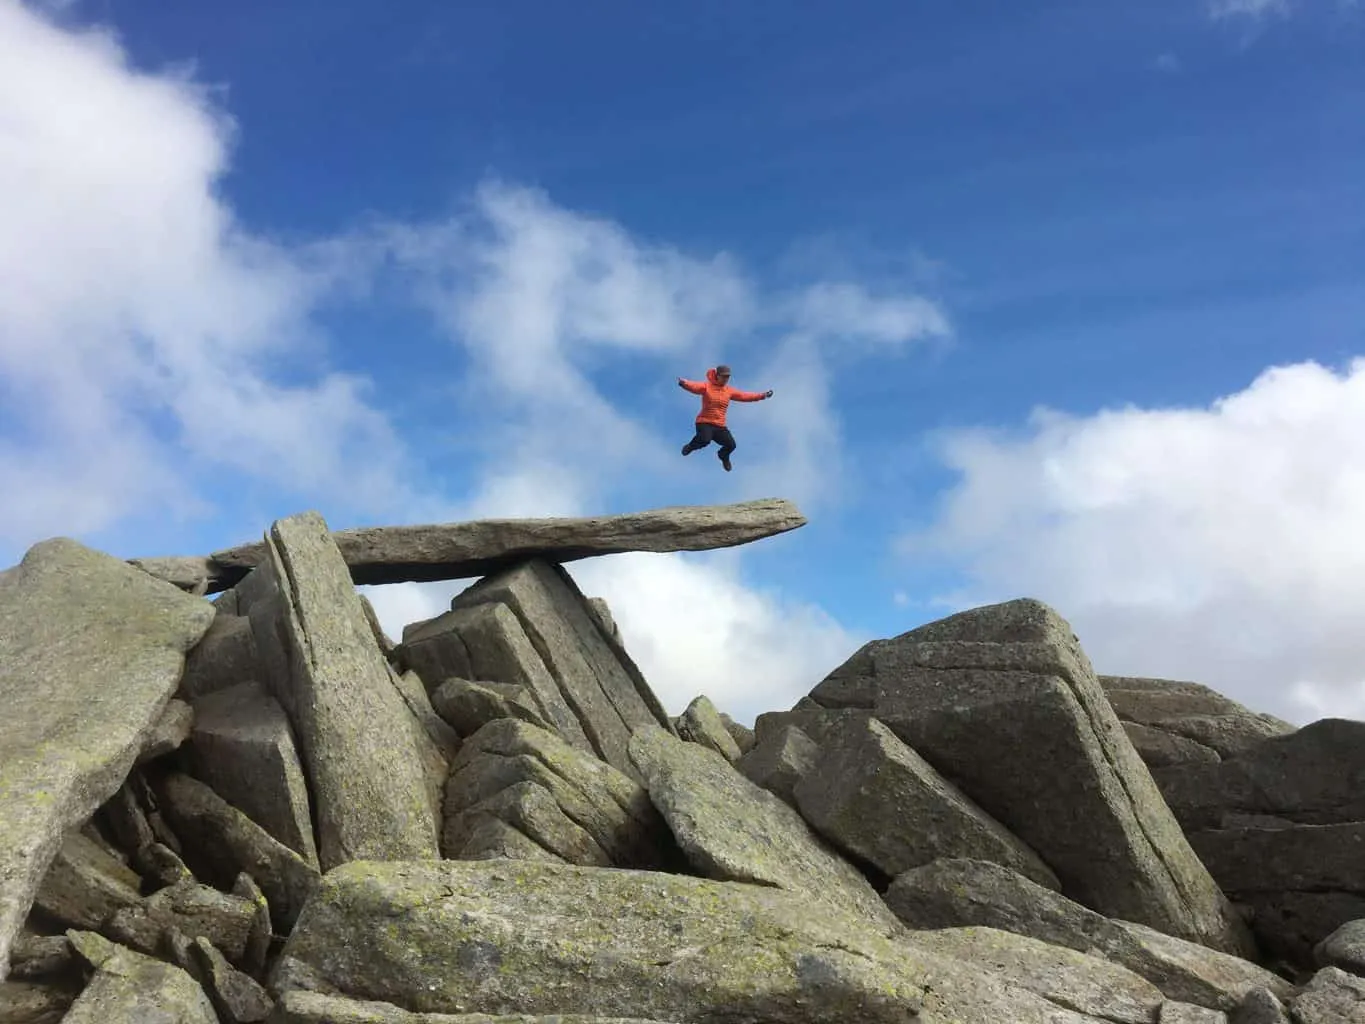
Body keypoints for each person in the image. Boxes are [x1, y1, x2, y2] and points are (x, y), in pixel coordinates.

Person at [677, 364, 774, 471]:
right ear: (717, 375)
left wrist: (762, 395)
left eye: (728, 377)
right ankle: (690, 447)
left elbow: (744, 396)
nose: (726, 379)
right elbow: (695, 386)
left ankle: (723, 456)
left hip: (719, 426)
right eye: (723, 376)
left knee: (731, 445)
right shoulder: (707, 386)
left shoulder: (729, 391)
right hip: (704, 422)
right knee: (705, 440)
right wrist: (684, 383)